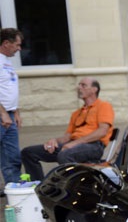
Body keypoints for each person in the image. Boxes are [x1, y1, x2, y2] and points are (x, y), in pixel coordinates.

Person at [21, 78, 115, 181]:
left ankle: (75, 187)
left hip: (93, 145)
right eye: (79, 85)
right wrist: (54, 140)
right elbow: (67, 136)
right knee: (28, 152)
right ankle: (37, 186)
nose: (79, 88)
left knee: (65, 154)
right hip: (72, 145)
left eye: (83, 85)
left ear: (94, 89)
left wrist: (75, 143)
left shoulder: (104, 106)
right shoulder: (76, 113)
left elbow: (102, 131)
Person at [0, 28, 24, 186]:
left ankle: (15, 193)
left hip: (8, 114)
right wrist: (3, 113)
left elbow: (8, 88)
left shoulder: (7, 61)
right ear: (6, 43)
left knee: (13, 158)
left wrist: (15, 111)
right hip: (2, 116)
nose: (19, 48)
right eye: (17, 44)